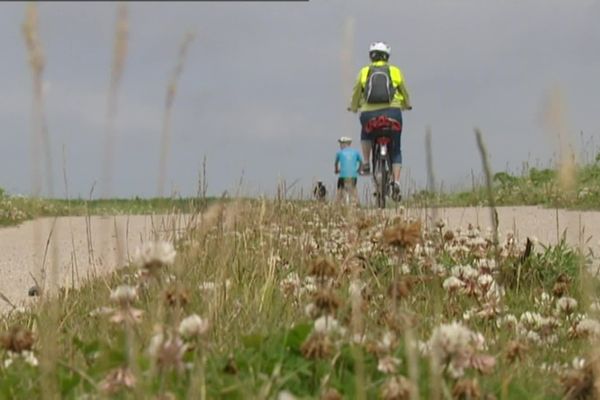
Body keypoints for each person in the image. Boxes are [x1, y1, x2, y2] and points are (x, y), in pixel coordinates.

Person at [347, 41, 412, 200]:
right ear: (387, 56)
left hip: (369, 114)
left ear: (371, 56)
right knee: (396, 148)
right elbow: (404, 90)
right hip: (393, 113)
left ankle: (367, 163)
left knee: (365, 133)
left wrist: (354, 107)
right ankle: (396, 182)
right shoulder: (395, 71)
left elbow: (356, 92)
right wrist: (406, 104)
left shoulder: (364, 72)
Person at [334, 136, 362, 205]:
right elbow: (361, 162)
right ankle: (357, 204)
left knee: (340, 190)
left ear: (345, 144)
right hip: (353, 175)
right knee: (353, 189)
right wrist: (359, 170)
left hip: (343, 175)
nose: (340, 145)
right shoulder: (356, 152)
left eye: (341, 143)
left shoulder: (339, 153)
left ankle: (337, 204)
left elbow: (336, 163)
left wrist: (336, 170)